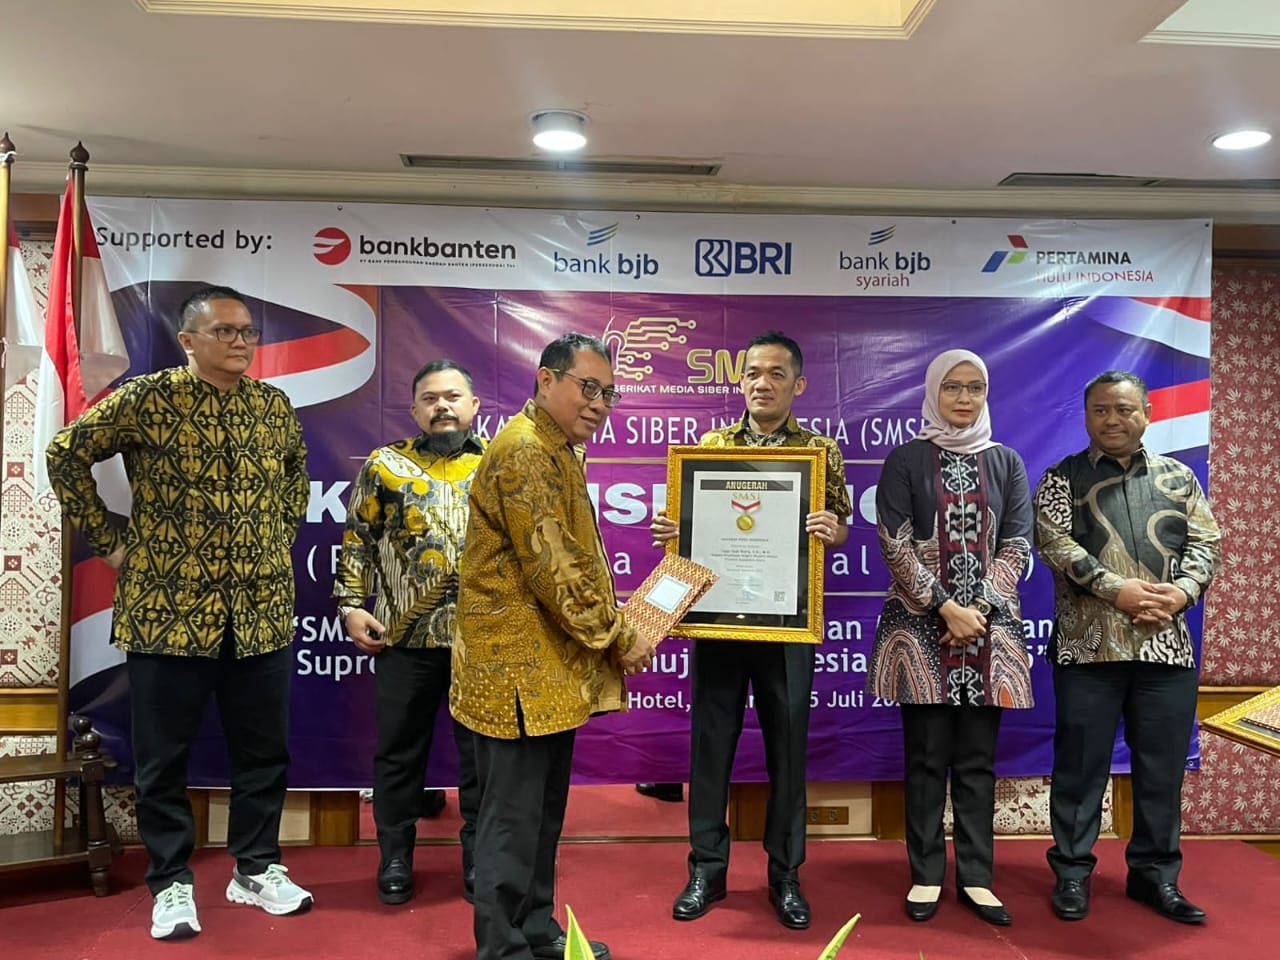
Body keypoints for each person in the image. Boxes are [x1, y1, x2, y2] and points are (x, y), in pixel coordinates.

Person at [46, 285, 312, 940]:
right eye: (225, 331)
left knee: (263, 753)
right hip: (168, 612)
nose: (241, 342)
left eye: (248, 331)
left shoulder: (272, 405)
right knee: (163, 760)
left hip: (259, 614)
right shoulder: (148, 398)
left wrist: (276, 538)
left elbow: (295, 474)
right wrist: (110, 541)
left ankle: (256, 868)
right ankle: (170, 880)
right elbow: (64, 454)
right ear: (188, 340)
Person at [451, 332, 656, 960]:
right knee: (511, 819)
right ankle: (503, 948)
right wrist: (619, 636)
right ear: (546, 380)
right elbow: (557, 570)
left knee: (540, 815)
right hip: (514, 674)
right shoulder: (525, 450)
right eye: (587, 387)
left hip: (548, 672)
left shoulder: (557, 448)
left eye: (609, 393)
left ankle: (535, 931)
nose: (599, 403)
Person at [654, 330, 851, 931]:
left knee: (788, 749)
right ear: (740, 382)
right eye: (752, 374)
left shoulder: (819, 452)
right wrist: (675, 530)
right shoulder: (710, 447)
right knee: (710, 748)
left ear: (798, 384)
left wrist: (833, 529)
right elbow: (688, 529)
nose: (762, 384)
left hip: (787, 624)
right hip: (717, 621)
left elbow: (842, 524)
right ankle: (706, 869)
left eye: (775, 374)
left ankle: (786, 874)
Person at [1034, 370, 1220, 924]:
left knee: (1161, 772)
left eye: (1123, 409)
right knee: (1079, 768)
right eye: (1101, 410)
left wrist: (1181, 593)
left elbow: (1206, 542)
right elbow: (1054, 543)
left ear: (1146, 414)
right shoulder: (1062, 478)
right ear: (1086, 416)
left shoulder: (1179, 478)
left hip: (1166, 650)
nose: (1112, 420)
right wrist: (1119, 590)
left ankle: (1156, 877)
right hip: (1088, 651)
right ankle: (1072, 874)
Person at [866, 349, 1033, 926]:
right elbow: (894, 542)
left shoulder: (1006, 462)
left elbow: (1017, 543)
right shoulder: (906, 460)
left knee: (978, 761)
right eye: (953, 387)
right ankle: (926, 874)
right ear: (933, 392)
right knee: (925, 758)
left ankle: (978, 878)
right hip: (920, 631)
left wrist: (977, 608)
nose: (964, 398)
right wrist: (944, 607)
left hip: (990, 632)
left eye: (975, 387)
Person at [333, 359, 484, 906]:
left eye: (452, 396)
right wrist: (352, 604)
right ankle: (395, 855)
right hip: (404, 640)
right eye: (430, 398)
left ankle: (481, 857)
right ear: (415, 409)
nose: (442, 406)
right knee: (398, 755)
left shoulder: (500, 464)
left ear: (474, 406)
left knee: (483, 759)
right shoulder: (386, 465)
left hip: (482, 642)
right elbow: (359, 539)